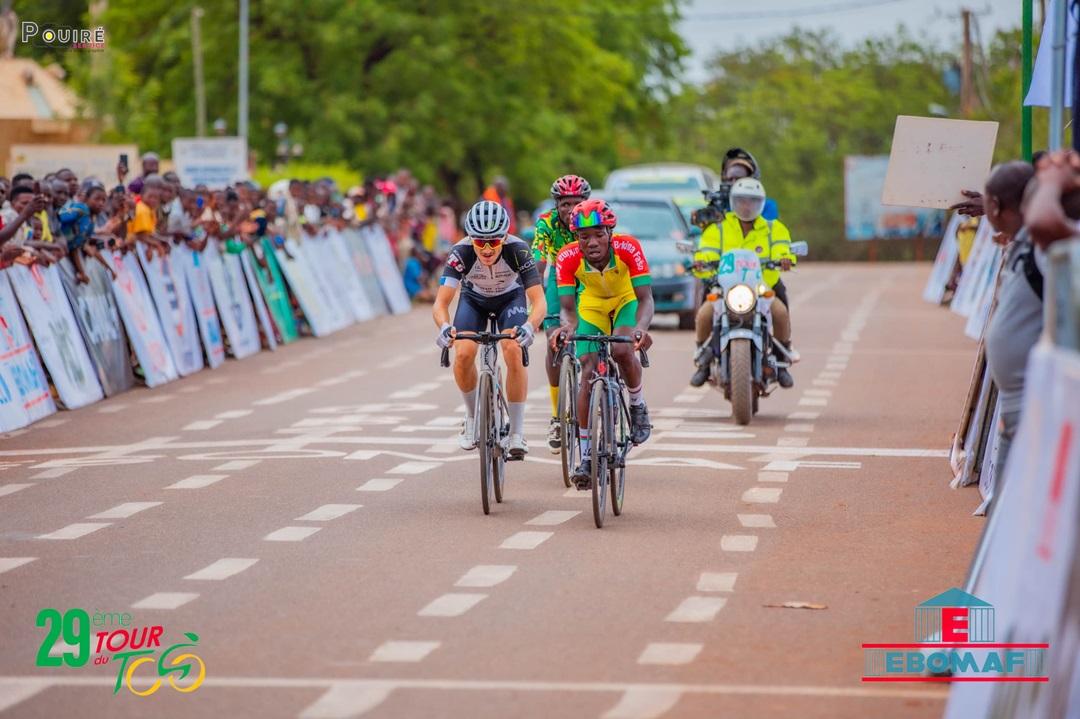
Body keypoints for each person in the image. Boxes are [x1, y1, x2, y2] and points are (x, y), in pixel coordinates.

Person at [551, 199, 654, 488]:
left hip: (626, 300)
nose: (592, 242)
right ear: (576, 238)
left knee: (622, 349)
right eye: (584, 237)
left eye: (598, 234)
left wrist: (641, 330)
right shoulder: (567, 257)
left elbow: (645, 298)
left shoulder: (628, 247)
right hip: (592, 305)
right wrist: (567, 329)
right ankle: (585, 456)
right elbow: (569, 309)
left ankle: (637, 405)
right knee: (586, 370)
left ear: (610, 232)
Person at [433, 200, 546, 458]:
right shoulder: (460, 253)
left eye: (493, 242)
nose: (486, 248)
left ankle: (517, 432)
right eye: (479, 241)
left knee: (512, 348)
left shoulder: (518, 250)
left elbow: (539, 301)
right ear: (470, 238)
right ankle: (472, 417)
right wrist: (444, 326)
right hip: (474, 301)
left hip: (510, 300)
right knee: (462, 353)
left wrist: (530, 326)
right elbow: (441, 302)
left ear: (504, 237)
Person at [689, 177, 797, 388]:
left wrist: (785, 258)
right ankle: (703, 362)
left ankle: (782, 363)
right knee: (704, 314)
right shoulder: (718, 228)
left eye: (752, 201)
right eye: (742, 201)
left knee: (781, 313)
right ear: (733, 202)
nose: (747, 206)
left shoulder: (774, 228)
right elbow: (706, 250)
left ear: (761, 203)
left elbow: (783, 247)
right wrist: (701, 262)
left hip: (760, 285)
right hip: (725, 287)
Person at [979, 161, 1039, 483]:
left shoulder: (1045, 244)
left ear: (997, 206)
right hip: (1018, 401)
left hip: (1037, 399)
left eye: (987, 204)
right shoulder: (1026, 240)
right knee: (1003, 505)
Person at [532, 174, 592, 453]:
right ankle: (558, 416)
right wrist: (534, 296)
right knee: (553, 337)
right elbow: (540, 261)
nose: (570, 210)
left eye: (576, 203)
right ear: (556, 204)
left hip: (589, 274)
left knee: (595, 331)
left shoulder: (594, 218)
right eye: (564, 204)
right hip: (559, 275)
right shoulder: (546, 222)